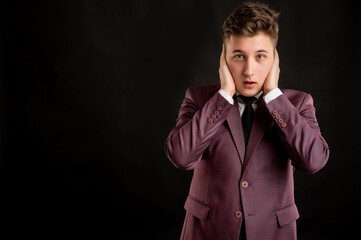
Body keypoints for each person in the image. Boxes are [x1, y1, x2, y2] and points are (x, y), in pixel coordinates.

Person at [164, 2, 329, 240]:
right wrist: (223, 96)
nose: (249, 71)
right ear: (224, 57)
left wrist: (273, 95)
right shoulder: (199, 99)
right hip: (209, 232)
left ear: (274, 58)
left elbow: (314, 161)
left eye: (260, 56)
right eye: (239, 56)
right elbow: (180, 156)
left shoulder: (298, 103)